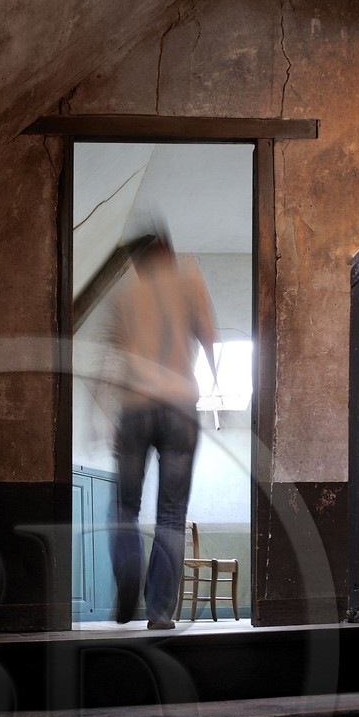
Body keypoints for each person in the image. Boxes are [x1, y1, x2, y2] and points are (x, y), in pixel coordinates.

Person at [104, 231, 219, 628]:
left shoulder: (123, 297)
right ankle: (159, 612)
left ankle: (129, 567)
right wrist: (212, 381)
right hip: (180, 407)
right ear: (167, 250)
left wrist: (104, 420)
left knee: (124, 507)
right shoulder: (189, 279)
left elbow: (110, 361)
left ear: (137, 262)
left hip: (135, 407)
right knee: (171, 516)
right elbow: (207, 336)